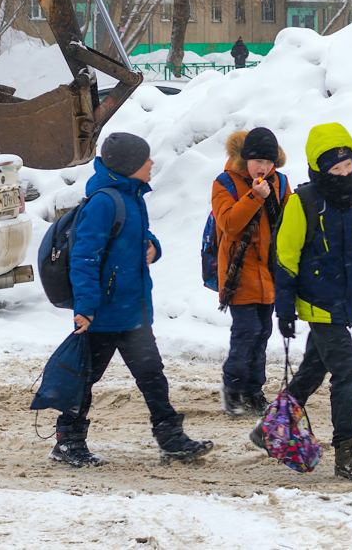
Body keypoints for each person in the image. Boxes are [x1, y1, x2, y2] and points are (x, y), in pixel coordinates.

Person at [52, 132, 214, 468]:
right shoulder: (103, 202)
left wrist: (154, 247)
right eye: (145, 160)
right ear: (128, 166)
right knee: (85, 379)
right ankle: (68, 440)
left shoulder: (132, 197)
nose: (151, 163)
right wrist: (85, 309)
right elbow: (84, 257)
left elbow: (139, 237)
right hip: (105, 314)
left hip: (133, 311)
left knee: (152, 373)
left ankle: (170, 437)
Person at [261, 123, 352, 483]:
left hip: (346, 298)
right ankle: (347, 451)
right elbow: (285, 257)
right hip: (317, 302)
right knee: (349, 369)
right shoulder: (304, 202)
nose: (344, 175)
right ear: (319, 170)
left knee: (314, 368)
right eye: (336, 170)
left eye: (349, 167)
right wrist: (284, 309)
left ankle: (272, 428)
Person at [212, 127, 291, 417]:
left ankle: (254, 391)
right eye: (258, 160)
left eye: (269, 162)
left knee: (263, 333)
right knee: (246, 332)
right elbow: (229, 224)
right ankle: (232, 390)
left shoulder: (280, 183)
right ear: (245, 158)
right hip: (238, 273)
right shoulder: (225, 183)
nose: (264, 167)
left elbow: (288, 224)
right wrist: (254, 197)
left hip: (269, 273)